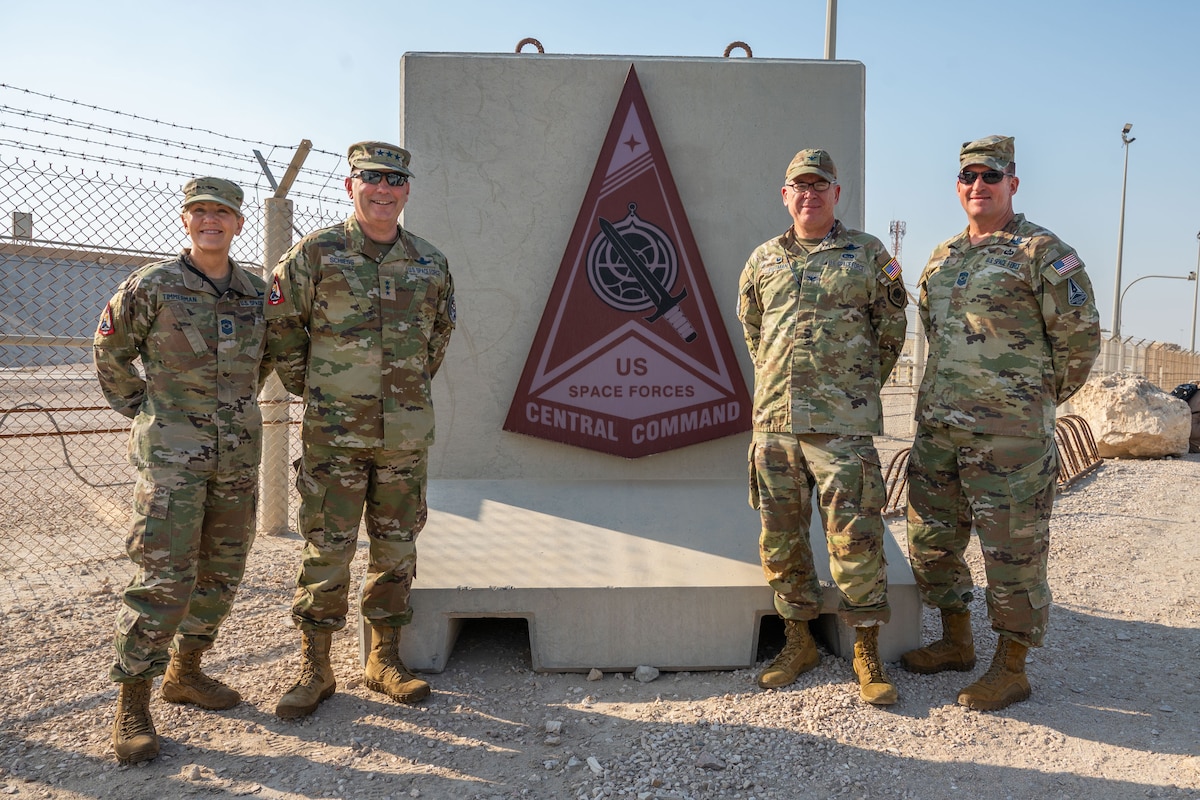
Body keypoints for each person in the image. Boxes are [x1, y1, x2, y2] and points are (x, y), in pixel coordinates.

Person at [901, 135, 1101, 711]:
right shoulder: (942, 257)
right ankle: (956, 640)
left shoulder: (1042, 251)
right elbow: (935, 337)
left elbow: (1080, 337)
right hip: (940, 428)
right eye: (968, 177)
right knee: (931, 542)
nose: (978, 186)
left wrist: (1034, 401)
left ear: (1013, 182)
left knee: (1013, 553)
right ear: (957, 186)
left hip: (1011, 440)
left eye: (991, 176)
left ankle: (1011, 665)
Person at [265, 141, 456, 719]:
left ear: (405, 190)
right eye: (371, 179)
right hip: (335, 435)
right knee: (327, 549)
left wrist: (401, 392)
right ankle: (315, 665)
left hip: (403, 438)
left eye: (394, 180)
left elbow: (437, 340)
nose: (383, 190)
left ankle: (384, 660)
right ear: (351, 186)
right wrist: (321, 389)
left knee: (397, 550)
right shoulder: (317, 253)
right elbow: (281, 329)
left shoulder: (429, 262)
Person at [94, 177, 270, 764]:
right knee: (164, 577)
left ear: (239, 223)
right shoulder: (153, 286)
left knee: (222, 569)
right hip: (173, 457)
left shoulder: (255, 292)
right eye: (199, 213)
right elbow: (110, 350)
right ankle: (133, 701)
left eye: (221, 213)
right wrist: (147, 408)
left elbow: (269, 358)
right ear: (185, 221)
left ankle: (186, 673)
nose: (210, 222)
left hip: (237, 455)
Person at [737, 148, 908, 705]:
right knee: (780, 539)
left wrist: (851, 389)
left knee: (856, 539)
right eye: (798, 187)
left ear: (838, 194)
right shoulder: (763, 258)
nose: (809, 195)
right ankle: (798, 641)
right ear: (784, 196)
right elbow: (754, 330)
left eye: (820, 185)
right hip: (776, 426)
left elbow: (891, 329)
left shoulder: (868, 254)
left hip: (842, 427)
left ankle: (865, 650)